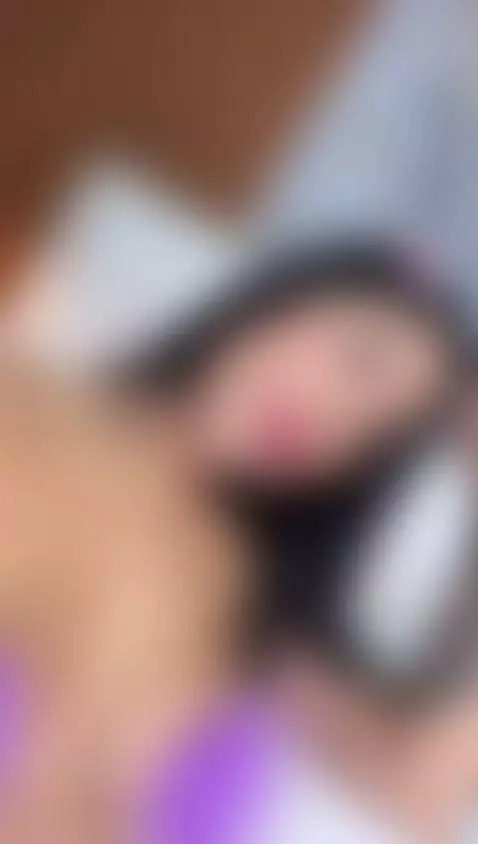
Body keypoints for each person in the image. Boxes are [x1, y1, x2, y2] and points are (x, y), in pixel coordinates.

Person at [0, 242, 470, 841]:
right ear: (286, 304)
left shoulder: (251, 629)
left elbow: (425, 789)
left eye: (377, 433)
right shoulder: (32, 420)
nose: (338, 415)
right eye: (357, 360)